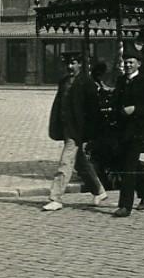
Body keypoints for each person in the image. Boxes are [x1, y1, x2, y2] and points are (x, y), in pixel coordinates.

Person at [42, 54, 107, 212]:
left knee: (65, 162)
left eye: (73, 63)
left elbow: (93, 111)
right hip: (66, 128)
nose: (70, 67)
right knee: (80, 162)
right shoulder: (63, 82)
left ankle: (55, 198)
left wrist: (88, 132)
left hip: (77, 130)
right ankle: (99, 191)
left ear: (80, 65)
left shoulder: (87, 83)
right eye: (68, 64)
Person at [110, 54, 144, 218]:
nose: (128, 65)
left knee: (128, 167)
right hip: (122, 129)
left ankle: (125, 206)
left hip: (138, 130)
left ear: (138, 64)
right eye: (125, 62)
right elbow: (115, 103)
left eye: (131, 62)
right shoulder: (121, 81)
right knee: (131, 164)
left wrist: (136, 109)